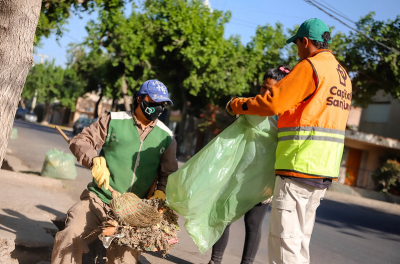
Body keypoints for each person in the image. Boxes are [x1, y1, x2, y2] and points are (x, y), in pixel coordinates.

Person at [226, 18, 352, 264]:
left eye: (297, 43)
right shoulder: (342, 75)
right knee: (300, 242)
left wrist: (238, 105)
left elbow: (273, 103)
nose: (296, 49)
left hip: (298, 164)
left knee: (284, 243)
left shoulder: (310, 67)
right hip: (323, 169)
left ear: (305, 41)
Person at [51, 80, 178, 264]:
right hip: (99, 201)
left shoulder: (166, 137)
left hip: (134, 213)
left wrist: (161, 192)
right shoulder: (113, 121)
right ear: (139, 99)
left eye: (162, 104)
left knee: (125, 260)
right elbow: (81, 141)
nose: (158, 107)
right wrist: (94, 160)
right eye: (154, 101)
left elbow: (169, 173)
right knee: (70, 235)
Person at [209, 65, 291, 264]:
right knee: (223, 215)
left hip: (264, 179)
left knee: (253, 224)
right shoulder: (252, 106)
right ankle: (215, 261)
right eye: (264, 87)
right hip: (239, 174)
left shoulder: (286, 117)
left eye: (272, 90)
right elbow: (232, 108)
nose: (266, 93)